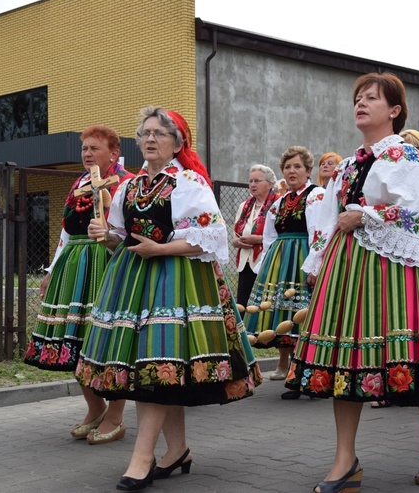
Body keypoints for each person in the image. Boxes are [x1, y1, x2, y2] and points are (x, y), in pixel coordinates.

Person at [287, 72, 419, 491]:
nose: (360, 103)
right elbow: (327, 218)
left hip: (397, 269)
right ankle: (345, 460)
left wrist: (368, 215)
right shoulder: (345, 165)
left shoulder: (405, 156)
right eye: (357, 97)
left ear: (394, 110)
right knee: (345, 358)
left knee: (409, 355)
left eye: (371, 98)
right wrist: (318, 260)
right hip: (347, 267)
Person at [77, 106, 262, 491]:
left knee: (158, 364)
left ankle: (142, 457)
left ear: (177, 143)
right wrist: (105, 234)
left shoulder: (189, 182)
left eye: (159, 133)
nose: (149, 139)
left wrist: (158, 251)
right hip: (132, 281)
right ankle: (176, 449)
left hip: (177, 281)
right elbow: (118, 237)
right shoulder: (128, 187)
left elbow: (208, 239)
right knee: (159, 367)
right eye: (145, 132)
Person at [24, 124, 134, 444]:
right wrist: (51, 270)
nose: (87, 153)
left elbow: (129, 230)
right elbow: (66, 233)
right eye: (84, 148)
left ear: (113, 152)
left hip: (108, 263)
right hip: (75, 268)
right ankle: (94, 406)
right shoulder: (80, 183)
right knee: (76, 341)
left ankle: (116, 415)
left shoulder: (126, 183)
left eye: (94, 148)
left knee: (108, 341)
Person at [243, 146, 324, 399]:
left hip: (302, 258)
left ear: (308, 170)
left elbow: (320, 233)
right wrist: (267, 267)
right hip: (280, 261)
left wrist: (316, 266)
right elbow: (269, 237)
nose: (291, 171)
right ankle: (296, 374)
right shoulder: (279, 202)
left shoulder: (316, 195)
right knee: (287, 318)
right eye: (287, 167)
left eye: (297, 166)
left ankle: (307, 376)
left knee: (306, 318)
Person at [232, 165, 278, 308]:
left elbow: (280, 236)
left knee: (261, 305)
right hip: (245, 263)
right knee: (243, 304)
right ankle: (243, 331)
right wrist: (238, 242)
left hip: (266, 261)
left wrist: (258, 240)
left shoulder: (278, 203)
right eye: (250, 181)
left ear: (270, 184)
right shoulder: (244, 206)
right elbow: (235, 237)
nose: (252, 184)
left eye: (257, 181)